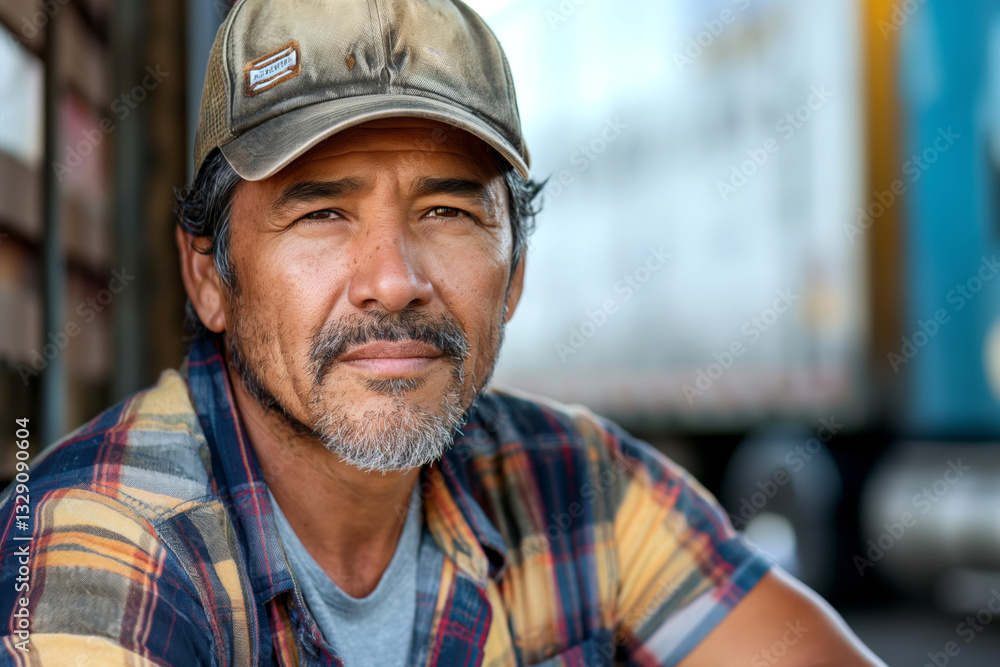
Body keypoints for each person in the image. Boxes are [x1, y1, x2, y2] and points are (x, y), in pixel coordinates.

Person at [0, 0, 887, 664]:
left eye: (448, 209)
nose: (395, 279)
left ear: (517, 273)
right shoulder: (105, 541)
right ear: (209, 275)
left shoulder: (576, 484)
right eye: (321, 213)